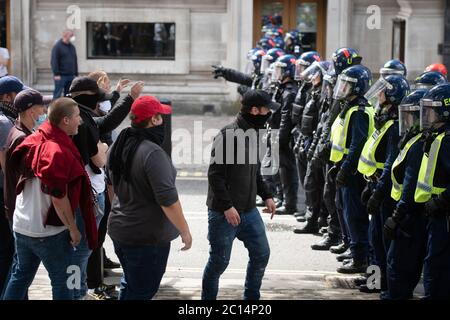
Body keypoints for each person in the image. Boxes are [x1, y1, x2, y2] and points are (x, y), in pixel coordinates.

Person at [3, 97, 98, 300]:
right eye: (77, 117)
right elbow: (57, 196)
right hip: (46, 232)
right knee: (62, 280)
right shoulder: (56, 151)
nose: (80, 121)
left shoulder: (33, 138)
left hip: (22, 225)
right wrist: (73, 229)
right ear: (65, 120)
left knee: (20, 276)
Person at [107, 95, 192, 300]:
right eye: (160, 117)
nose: (163, 121)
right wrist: (185, 231)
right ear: (153, 120)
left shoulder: (119, 144)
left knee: (131, 284)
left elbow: (111, 187)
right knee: (142, 292)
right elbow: (168, 201)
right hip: (147, 239)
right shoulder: (153, 153)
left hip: (120, 230)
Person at [202, 89, 276, 300]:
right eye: (266, 109)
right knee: (219, 262)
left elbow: (255, 172)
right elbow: (215, 176)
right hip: (224, 213)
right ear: (254, 110)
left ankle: (251, 300)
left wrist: (267, 195)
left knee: (262, 254)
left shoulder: (254, 133)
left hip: (249, 211)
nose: (269, 113)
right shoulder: (228, 135)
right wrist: (227, 207)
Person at [357, 74, 410, 295]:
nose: (378, 95)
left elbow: (389, 165)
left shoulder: (395, 125)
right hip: (374, 184)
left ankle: (386, 284)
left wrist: (378, 193)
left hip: (385, 191)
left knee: (382, 241)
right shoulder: (385, 120)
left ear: (391, 96)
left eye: (382, 91)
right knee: (374, 239)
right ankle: (374, 281)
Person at [330, 64, 375, 274]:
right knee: (345, 210)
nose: (343, 87)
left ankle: (360, 258)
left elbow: (357, 146)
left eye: (347, 84)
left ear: (357, 88)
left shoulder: (359, 111)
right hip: (345, 167)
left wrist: (345, 170)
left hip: (354, 172)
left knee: (355, 214)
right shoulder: (350, 107)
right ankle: (354, 250)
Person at [413, 83, 450, 299]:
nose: (427, 115)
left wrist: (441, 201)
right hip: (435, 212)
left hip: (443, 214)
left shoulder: (446, 140)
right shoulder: (438, 136)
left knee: (437, 264)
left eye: (431, 110)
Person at [0, 75, 27, 296]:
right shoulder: (3, 122)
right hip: (4, 194)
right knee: (8, 251)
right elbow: (7, 166)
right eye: (18, 94)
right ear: (7, 96)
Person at [51, 29, 78, 99]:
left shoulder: (72, 47)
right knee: (57, 95)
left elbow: (75, 60)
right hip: (61, 76)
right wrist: (56, 74)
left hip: (71, 76)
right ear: (65, 35)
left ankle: (67, 110)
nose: (73, 37)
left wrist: (75, 74)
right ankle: (53, 109)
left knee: (68, 96)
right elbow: (54, 61)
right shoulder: (57, 46)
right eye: (71, 35)